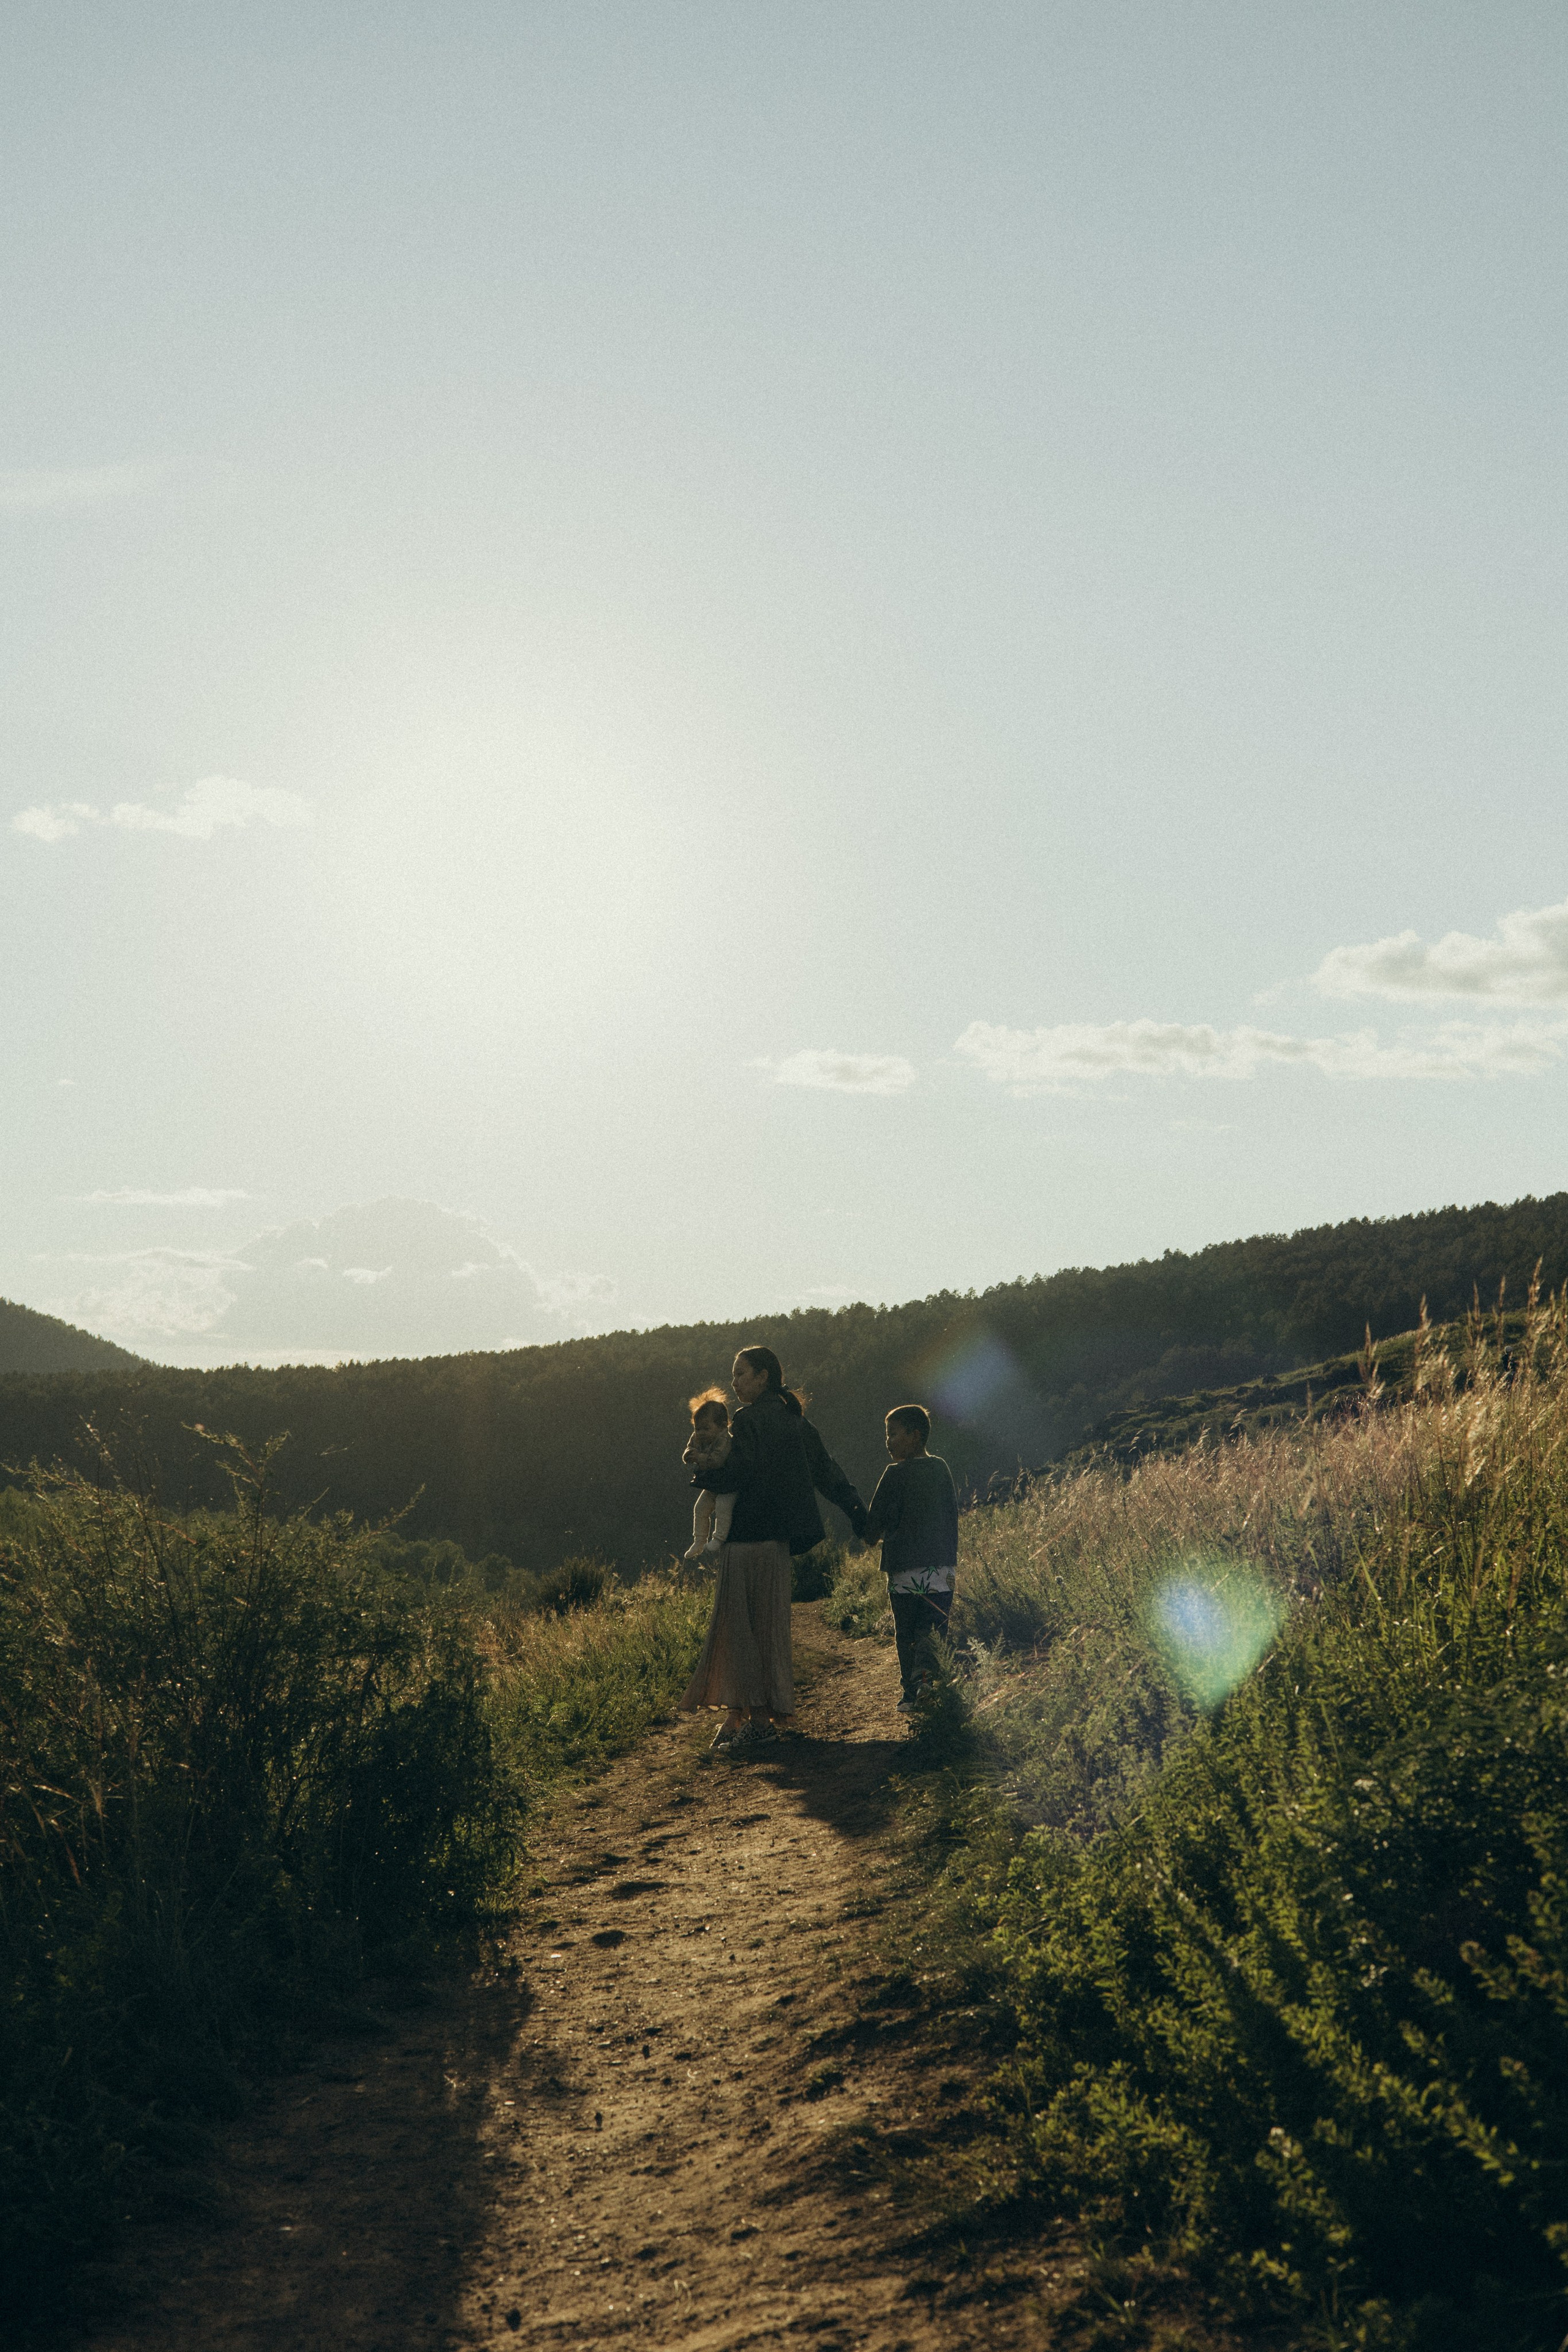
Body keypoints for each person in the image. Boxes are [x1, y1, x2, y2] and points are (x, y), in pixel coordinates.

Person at [679, 1344, 867, 1751]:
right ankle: (743, 1717)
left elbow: (737, 1475)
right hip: (776, 1543)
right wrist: (859, 1514)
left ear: (764, 1376)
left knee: (742, 1632)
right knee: (766, 1628)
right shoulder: (794, 1420)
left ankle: (758, 1722)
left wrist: (702, 1464)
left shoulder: (748, 1422)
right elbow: (828, 1472)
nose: (735, 1382)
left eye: (741, 1374)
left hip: (745, 1539)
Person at [863, 1403, 959, 1715]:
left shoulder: (893, 1475)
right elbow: (951, 1516)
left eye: (893, 1434)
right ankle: (928, 1685)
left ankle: (911, 1693)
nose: (888, 1441)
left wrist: (861, 1522)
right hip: (941, 1568)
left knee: (906, 1633)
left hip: (903, 1570)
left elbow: (871, 1529)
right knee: (933, 1630)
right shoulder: (941, 1468)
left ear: (915, 1436)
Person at [682, 1389, 736, 1564]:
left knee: (723, 1507)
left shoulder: (724, 1439)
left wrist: (700, 1458)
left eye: (706, 1428)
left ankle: (718, 1539)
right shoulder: (698, 1436)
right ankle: (699, 1541)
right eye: (698, 1428)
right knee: (700, 1508)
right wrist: (689, 1455)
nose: (701, 1432)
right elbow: (690, 1447)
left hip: (728, 1484)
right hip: (713, 1484)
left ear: (722, 1425)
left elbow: (717, 1460)